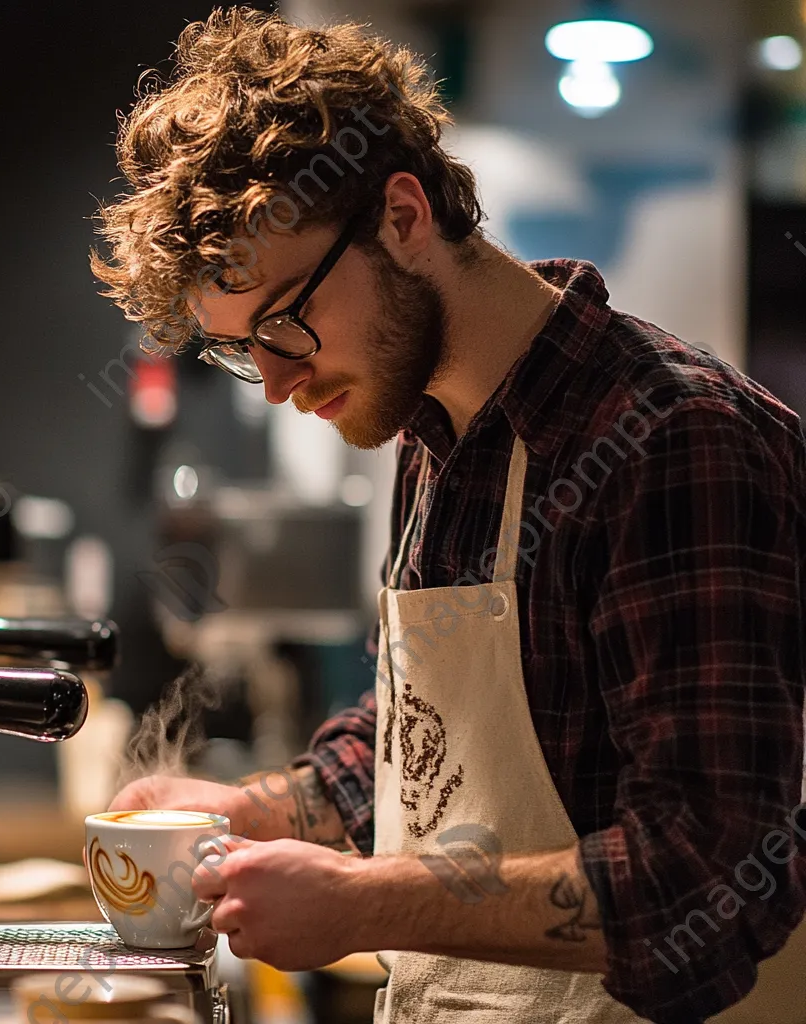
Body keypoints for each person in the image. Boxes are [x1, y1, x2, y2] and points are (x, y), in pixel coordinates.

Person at [93, 8, 806, 1022]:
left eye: (287, 319)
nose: (277, 381)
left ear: (402, 214)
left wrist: (353, 903)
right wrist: (254, 808)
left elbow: (711, 869)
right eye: (240, 347)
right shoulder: (432, 433)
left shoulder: (671, 438)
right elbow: (424, 734)